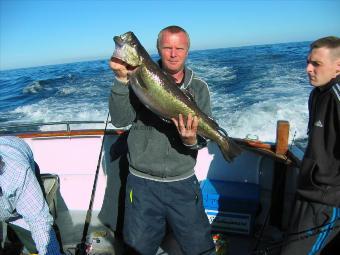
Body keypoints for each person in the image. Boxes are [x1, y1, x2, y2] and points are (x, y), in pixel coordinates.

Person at [109, 26, 216, 254]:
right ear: (158, 49)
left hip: (183, 184)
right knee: (137, 250)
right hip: (142, 184)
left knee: (201, 249)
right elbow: (119, 120)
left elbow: (202, 140)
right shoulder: (137, 77)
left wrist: (190, 141)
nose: (173, 54)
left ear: (187, 51)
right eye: (167, 47)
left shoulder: (199, 88)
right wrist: (120, 80)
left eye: (180, 48)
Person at [281, 36, 340, 254]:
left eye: (316, 64)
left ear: (338, 67)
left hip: (326, 202)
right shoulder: (317, 93)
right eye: (308, 62)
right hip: (308, 191)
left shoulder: (337, 95)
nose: (308, 69)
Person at [0, 136, 62, 255]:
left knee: (37, 237)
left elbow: (39, 221)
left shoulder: (18, 175)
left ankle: (15, 241)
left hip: (18, 154)